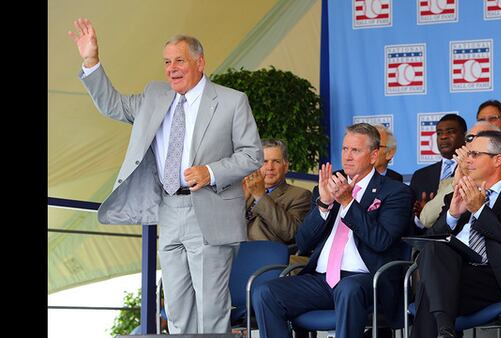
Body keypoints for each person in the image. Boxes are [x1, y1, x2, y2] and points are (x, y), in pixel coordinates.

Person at [68, 18, 263, 334]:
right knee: (175, 308)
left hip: (209, 208)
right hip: (169, 209)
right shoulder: (154, 96)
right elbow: (113, 105)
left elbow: (251, 154)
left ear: (199, 62)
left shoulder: (231, 100)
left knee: (211, 310)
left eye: (179, 61)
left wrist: (211, 171)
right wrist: (91, 61)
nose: (171, 68)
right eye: (167, 62)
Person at [252, 123, 414, 338]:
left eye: (355, 150)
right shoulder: (330, 183)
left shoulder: (396, 192)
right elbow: (303, 242)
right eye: (345, 149)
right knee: (266, 292)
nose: (347, 156)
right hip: (322, 279)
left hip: (366, 278)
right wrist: (324, 204)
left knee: (349, 289)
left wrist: (348, 202)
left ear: (374, 156)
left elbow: (381, 241)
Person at [411, 130, 501, 338]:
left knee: (430, 289)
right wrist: (453, 215)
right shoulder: (456, 196)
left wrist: (480, 211)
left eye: (475, 154)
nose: (467, 160)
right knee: (435, 254)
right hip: (453, 274)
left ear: (497, 160)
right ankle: (444, 328)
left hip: (498, 278)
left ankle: (444, 328)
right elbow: (431, 240)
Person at [418, 121, 501, 228]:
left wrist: (479, 209)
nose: (473, 143)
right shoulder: (448, 183)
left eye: (480, 137)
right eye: (469, 138)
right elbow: (426, 220)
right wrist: (457, 184)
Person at [243, 138, 312, 244]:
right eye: (264, 162)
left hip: (265, 256)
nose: (270, 167)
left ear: (285, 167)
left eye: (276, 161)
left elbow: (291, 233)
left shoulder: (300, 195)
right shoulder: (247, 191)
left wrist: (260, 196)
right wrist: (241, 200)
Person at [410, 114, 467, 231]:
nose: (443, 137)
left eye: (450, 132)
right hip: (427, 244)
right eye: (439, 133)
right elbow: (409, 223)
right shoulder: (420, 175)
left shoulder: (471, 170)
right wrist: (421, 216)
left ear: (464, 135)